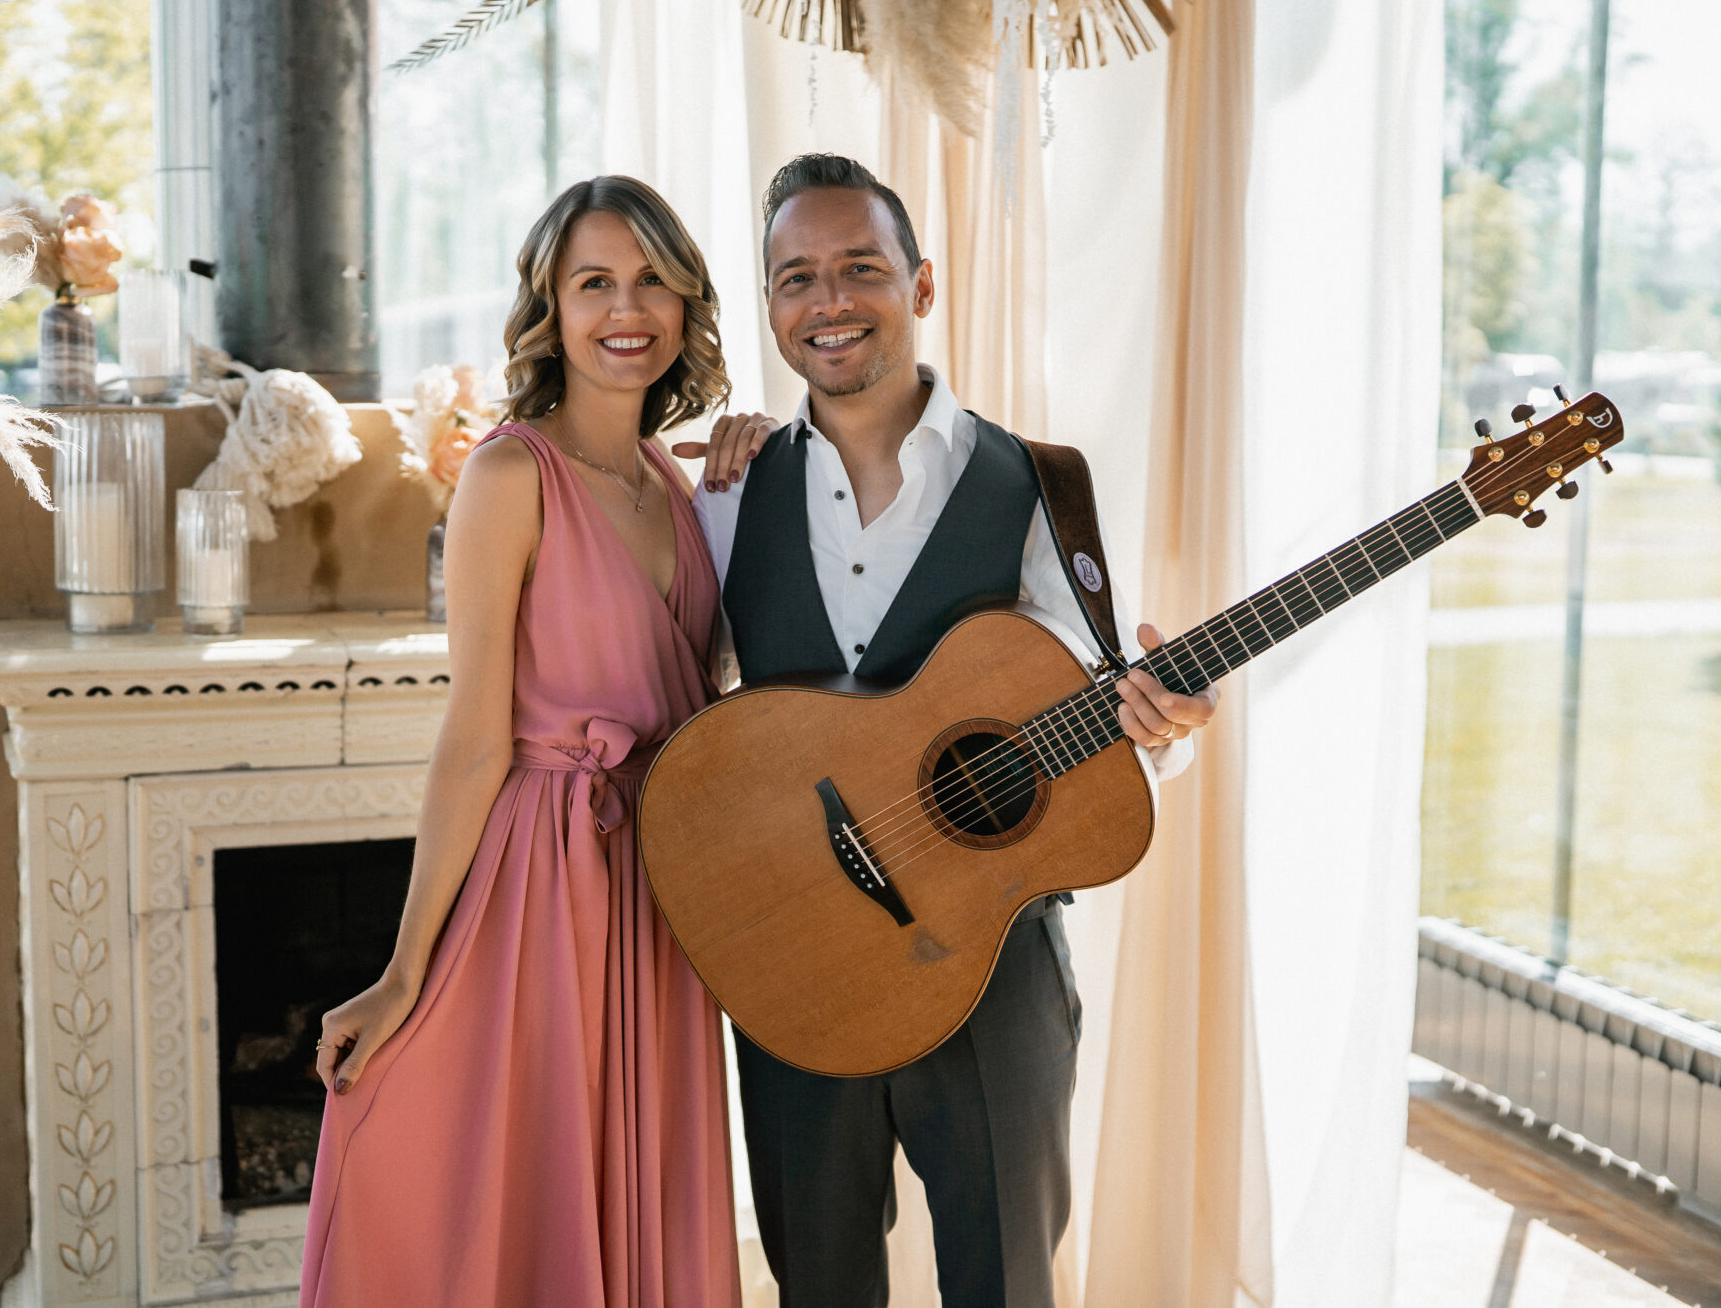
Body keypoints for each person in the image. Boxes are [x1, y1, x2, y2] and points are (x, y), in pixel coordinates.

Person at [694, 153, 1221, 1308]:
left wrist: (1163, 727)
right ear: (770, 306)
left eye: (860, 268)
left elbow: (1099, 701)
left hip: (993, 967)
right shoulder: (722, 495)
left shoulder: (1040, 483)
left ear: (921, 287)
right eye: (795, 277)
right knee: (816, 1285)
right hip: (796, 965)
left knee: (1007, 1285)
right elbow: (690, 726)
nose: (827, 300)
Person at [299, 176, 773, 1308]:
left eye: (652, 278)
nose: (627, 307)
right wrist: (403, 971)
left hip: (660, 885)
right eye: (594, 282)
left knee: (638, 1191)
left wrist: (760, 466)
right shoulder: (511, 474)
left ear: (686, 301)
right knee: (509, 1191)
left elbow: (717, 697)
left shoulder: (677, 480)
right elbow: (473, 735)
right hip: (542, 884)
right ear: (550, 310)